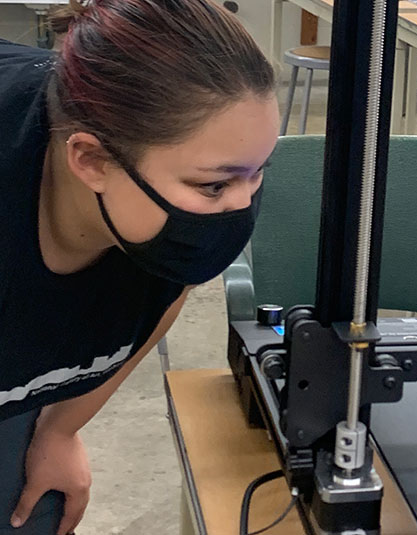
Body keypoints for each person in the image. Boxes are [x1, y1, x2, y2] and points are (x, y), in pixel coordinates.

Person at [0, 0, 279, 533]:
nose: (240, 206)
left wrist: (62, 427)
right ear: (91, 160)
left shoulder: (205, 190)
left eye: (257, 172)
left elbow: (168, 290)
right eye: (216, 185)